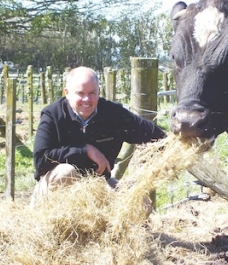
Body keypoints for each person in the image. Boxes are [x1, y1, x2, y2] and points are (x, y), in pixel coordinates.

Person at [32, 66, 166, 200]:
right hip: (54, 194)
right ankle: (59, 221)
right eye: (80, 93)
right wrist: (85, 151)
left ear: (99, 92)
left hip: (98, 188)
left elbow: (155, 135)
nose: (86, 99)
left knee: (140, 202)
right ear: (67, 93)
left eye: (92, 93)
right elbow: (41, 159)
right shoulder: (53, 115)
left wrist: (176, 144)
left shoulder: (112, 113)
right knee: (66, 173)